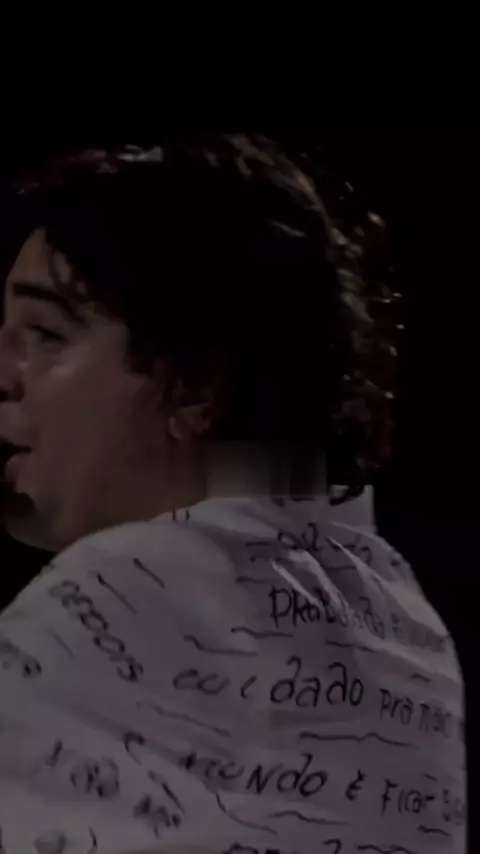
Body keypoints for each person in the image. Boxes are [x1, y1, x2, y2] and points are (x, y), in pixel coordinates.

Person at [0, 137, 465, 853]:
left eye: (46, 335)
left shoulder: (105, 592)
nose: (7, 376)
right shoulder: (405, 617)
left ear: (194, 386)